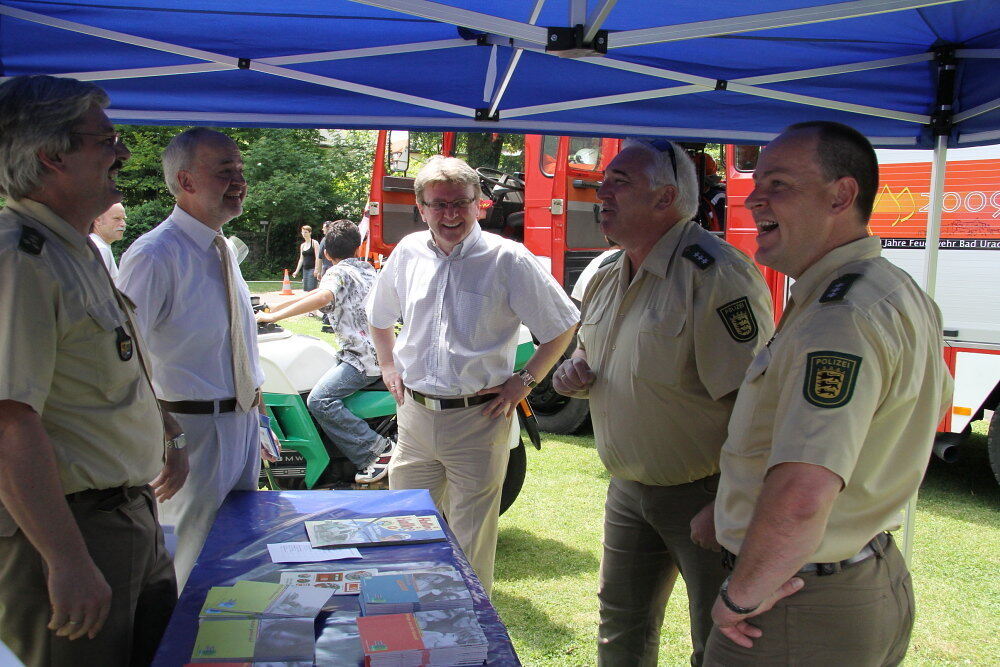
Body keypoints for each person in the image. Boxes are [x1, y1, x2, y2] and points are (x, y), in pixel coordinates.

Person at [699, 121, 953, 666]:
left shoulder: (840, 317)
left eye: (779, 185)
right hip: (859, 574)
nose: (751, 199)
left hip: (795, 604)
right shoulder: (889, 289)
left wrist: (738, 597)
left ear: (841, 195)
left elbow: (801, 494)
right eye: (757, 182)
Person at [551, 138, 773, 666]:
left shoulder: (716, 275)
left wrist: (728, 503)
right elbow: (589, 359)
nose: (601, 190)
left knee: (718, 638)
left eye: (619, 182)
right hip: (629, 489)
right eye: (605, 179)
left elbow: (760, 403)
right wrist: (569, 377)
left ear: (665, 197)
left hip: (705, 495)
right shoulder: (607, 271)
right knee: (620, 624)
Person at [0, 75, 186, 666]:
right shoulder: (19, 259)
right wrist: (66, 559)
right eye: (104, 139)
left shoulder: (71, 247)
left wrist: (166, 436)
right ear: (52, 155)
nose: (123, 153)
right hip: (73, 529)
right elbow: (8, 422)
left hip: (126, 516)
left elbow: (108, 371)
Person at [367, 156, 579, 595]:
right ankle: (410, 619)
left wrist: (526, 380)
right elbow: (378, 316)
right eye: (438, 204)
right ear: (420, 208)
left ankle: (469, 636)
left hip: (479, 420)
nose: (450, 214)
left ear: (479, 203)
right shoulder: (407, 253)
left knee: (470, 541)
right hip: (416, 416)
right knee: (404, 528)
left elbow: (562, 325)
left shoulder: (507, 258)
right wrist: (388, 366)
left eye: (461, 202)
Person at [118, 127, 276, 591]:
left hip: (240, 425)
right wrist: (170, 440)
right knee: (188, 566)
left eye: (241, 170)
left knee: (237, 558)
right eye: (225, 171)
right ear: (185, 181)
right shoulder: (154, 255)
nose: (239, 180)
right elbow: (124, 360)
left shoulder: (221, 247)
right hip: (189, 434)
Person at [257, 219, 394, 484]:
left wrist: (275, 317)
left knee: (320, 401)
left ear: (327, 254)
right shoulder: (365, 269)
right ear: (358, 247)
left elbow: (323, 296)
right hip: (381, 353)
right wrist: (273, 310)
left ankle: (376, 450)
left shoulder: (337, 272)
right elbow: (316, 294)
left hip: (361, 359)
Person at [89, 202, 127, 279]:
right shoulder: (100, 250)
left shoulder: (92, 244)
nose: (123, 224)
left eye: (123, 219)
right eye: (117, 219)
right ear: (98, 220)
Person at [291, 224, 320, 291]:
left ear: (310, 233)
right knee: (305, 289)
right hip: (305, 269)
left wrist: (316, 269)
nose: (304, 234)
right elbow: (301, 259)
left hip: (312, 269)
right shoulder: (302, 245)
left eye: (306, 232)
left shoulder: (314, 243)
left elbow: (318, 257)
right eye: (303, 232)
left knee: (311, 289)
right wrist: (296, 271)